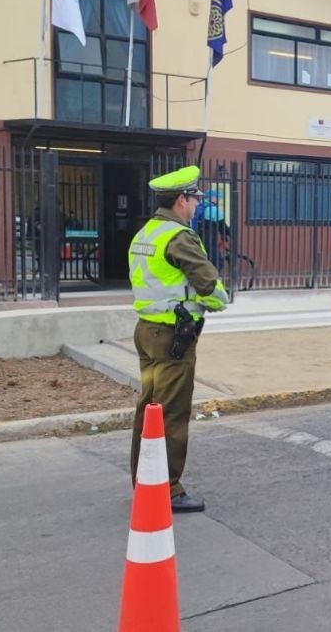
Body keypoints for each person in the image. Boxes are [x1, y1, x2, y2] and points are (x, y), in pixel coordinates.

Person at [127, 166, 229, 513]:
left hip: (147, 332)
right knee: (170, 413)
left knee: (149, 408)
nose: (198, 205)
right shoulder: (179, 236)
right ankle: (167, 490)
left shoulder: (146, 232)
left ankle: (143, 481)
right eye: (196, 199)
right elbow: (210, 286)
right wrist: (218, 300)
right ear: (181, 200)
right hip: (174, 336)